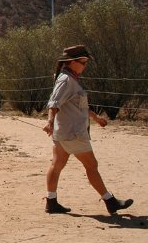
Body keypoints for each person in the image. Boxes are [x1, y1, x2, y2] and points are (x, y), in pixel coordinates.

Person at [43, 45, 133, 215]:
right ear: (72, 62)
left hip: (63, 133)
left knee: (57, 165)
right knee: (91, 165)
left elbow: (78, 105)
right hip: (74, 134)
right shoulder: (66, 80)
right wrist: (50, 121)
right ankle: (110, 201)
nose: (85, 66)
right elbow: (54, 103)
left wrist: (95, 118)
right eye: (83, 62)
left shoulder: (70, 79)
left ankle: (51, 201)